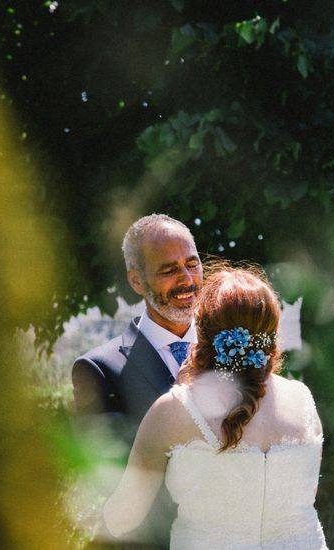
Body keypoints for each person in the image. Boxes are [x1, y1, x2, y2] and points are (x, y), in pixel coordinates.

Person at [103, 266, 327, 549]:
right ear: (271, 334)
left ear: (203, 333)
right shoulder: (302, 399)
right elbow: (307, 493)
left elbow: (123, 518)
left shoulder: (173, 411)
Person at [71, 213, 203, 547]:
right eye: (169, 270)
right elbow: (114, 482)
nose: (187, 280)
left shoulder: (231, 350)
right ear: (136, 281)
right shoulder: (99, 369)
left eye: (192, 264)